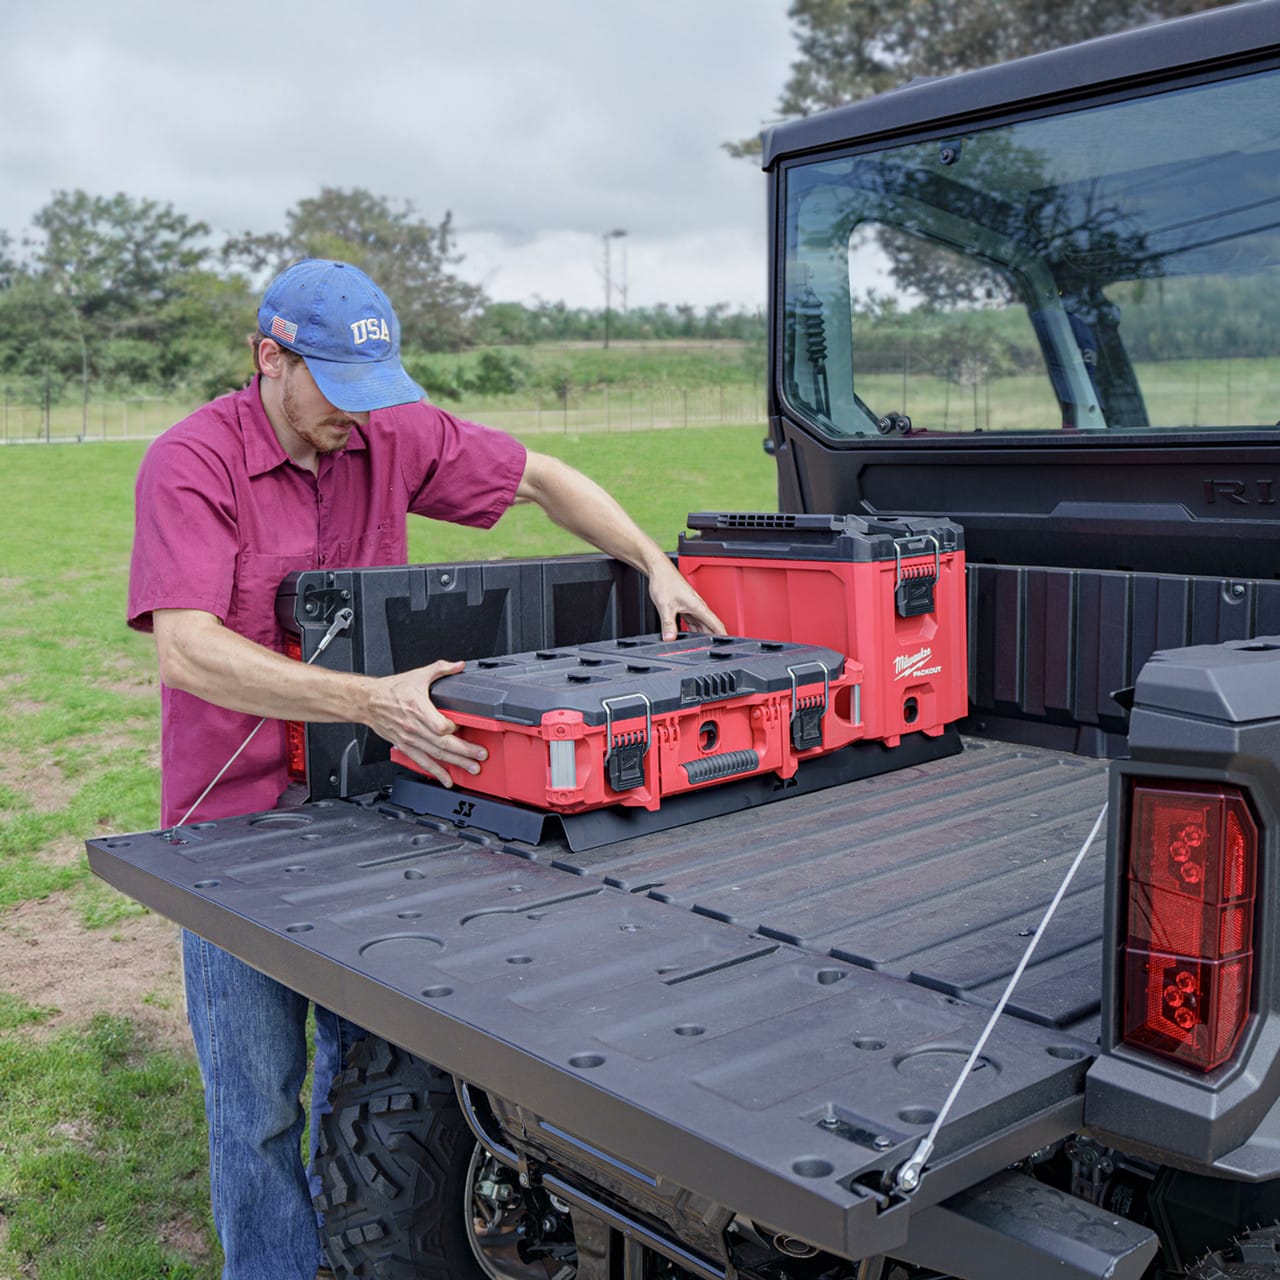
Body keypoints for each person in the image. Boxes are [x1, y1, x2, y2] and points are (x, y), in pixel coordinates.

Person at [127, 257, 723, 1280]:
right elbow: (188, 650)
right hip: (231, 827)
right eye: (335, 390)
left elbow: (543, 478)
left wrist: (653, 564)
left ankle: (355, 1251)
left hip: (371, 808)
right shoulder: (191, 462)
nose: (355, 416)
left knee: (365, 1072)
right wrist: (370, 698)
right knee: (255, 1103)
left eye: (372, 390)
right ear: (270, 359)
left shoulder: (387, 432)